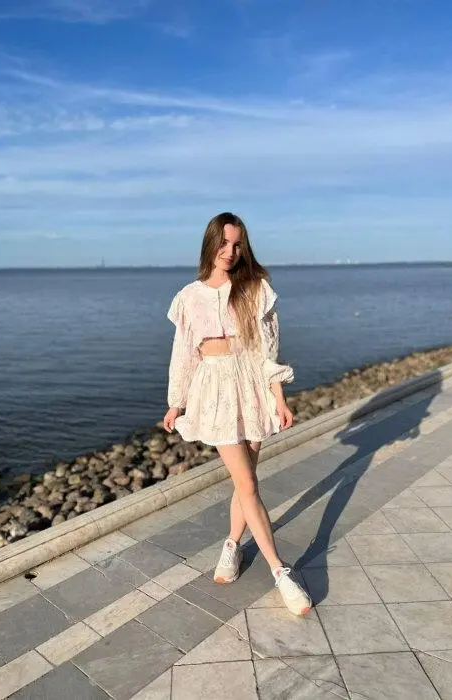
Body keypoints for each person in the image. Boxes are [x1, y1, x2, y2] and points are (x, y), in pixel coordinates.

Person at [163, 212, 312, 616]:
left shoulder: (255, 288)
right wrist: (176, 402)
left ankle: (232, 544)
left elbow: (268, 351)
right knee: (246, 481)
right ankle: (280, 571)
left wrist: (279, 397)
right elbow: (184, 354)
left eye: (237, 244)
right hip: (215, 389)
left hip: (252, 385)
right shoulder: (188, 297)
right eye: (224, 243)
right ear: (210, 243)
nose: (230, 252)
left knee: (245, 483)